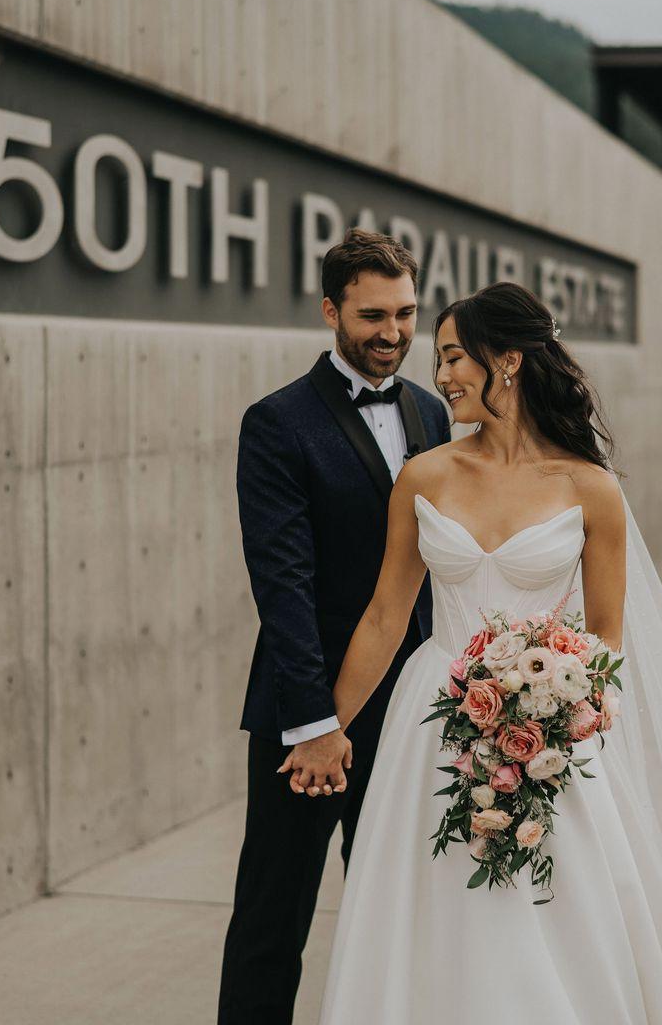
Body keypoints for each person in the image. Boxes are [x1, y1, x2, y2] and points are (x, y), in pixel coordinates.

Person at [286, 281, 662, 1024]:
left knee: (557, 898)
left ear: (511, 362)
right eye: (441, 360)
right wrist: (327, 730)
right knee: (431, 896)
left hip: (548, 732)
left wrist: (557, 708)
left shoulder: (591, 489)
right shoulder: (423, 476)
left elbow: (607, 639)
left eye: (456, 357)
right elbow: (385, 617)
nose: (443, 376)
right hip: (431, 724)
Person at [217, 229, 451, 1024]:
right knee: (272, 918)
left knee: (401, 908)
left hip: (416, 709)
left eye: (407, 314)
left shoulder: (431, 410)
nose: (392, 334)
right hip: (307, 711)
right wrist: (316, 725)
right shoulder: (276, 422)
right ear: (330, 311)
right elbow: (282, 585)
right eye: (372, 315)